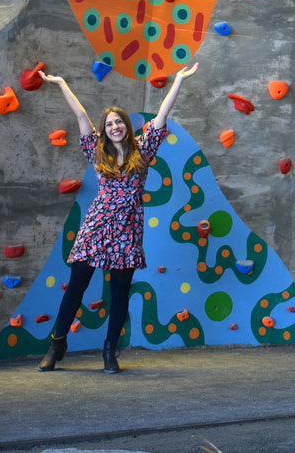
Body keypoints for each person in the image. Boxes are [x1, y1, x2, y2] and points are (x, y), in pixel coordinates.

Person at [35, 63, 198, 373]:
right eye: (109, 124)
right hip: (96, 226)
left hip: (128, 230)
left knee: (120, 293)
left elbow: (162, 115)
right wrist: (61, 83)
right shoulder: (97, 151)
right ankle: (57, 344)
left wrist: (178, 80)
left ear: (126, 126)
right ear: (104, 130)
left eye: (118, 122)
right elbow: (81, 115)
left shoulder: (144, 149)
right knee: (76, 287)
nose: (114, 127)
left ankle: (110, 351)